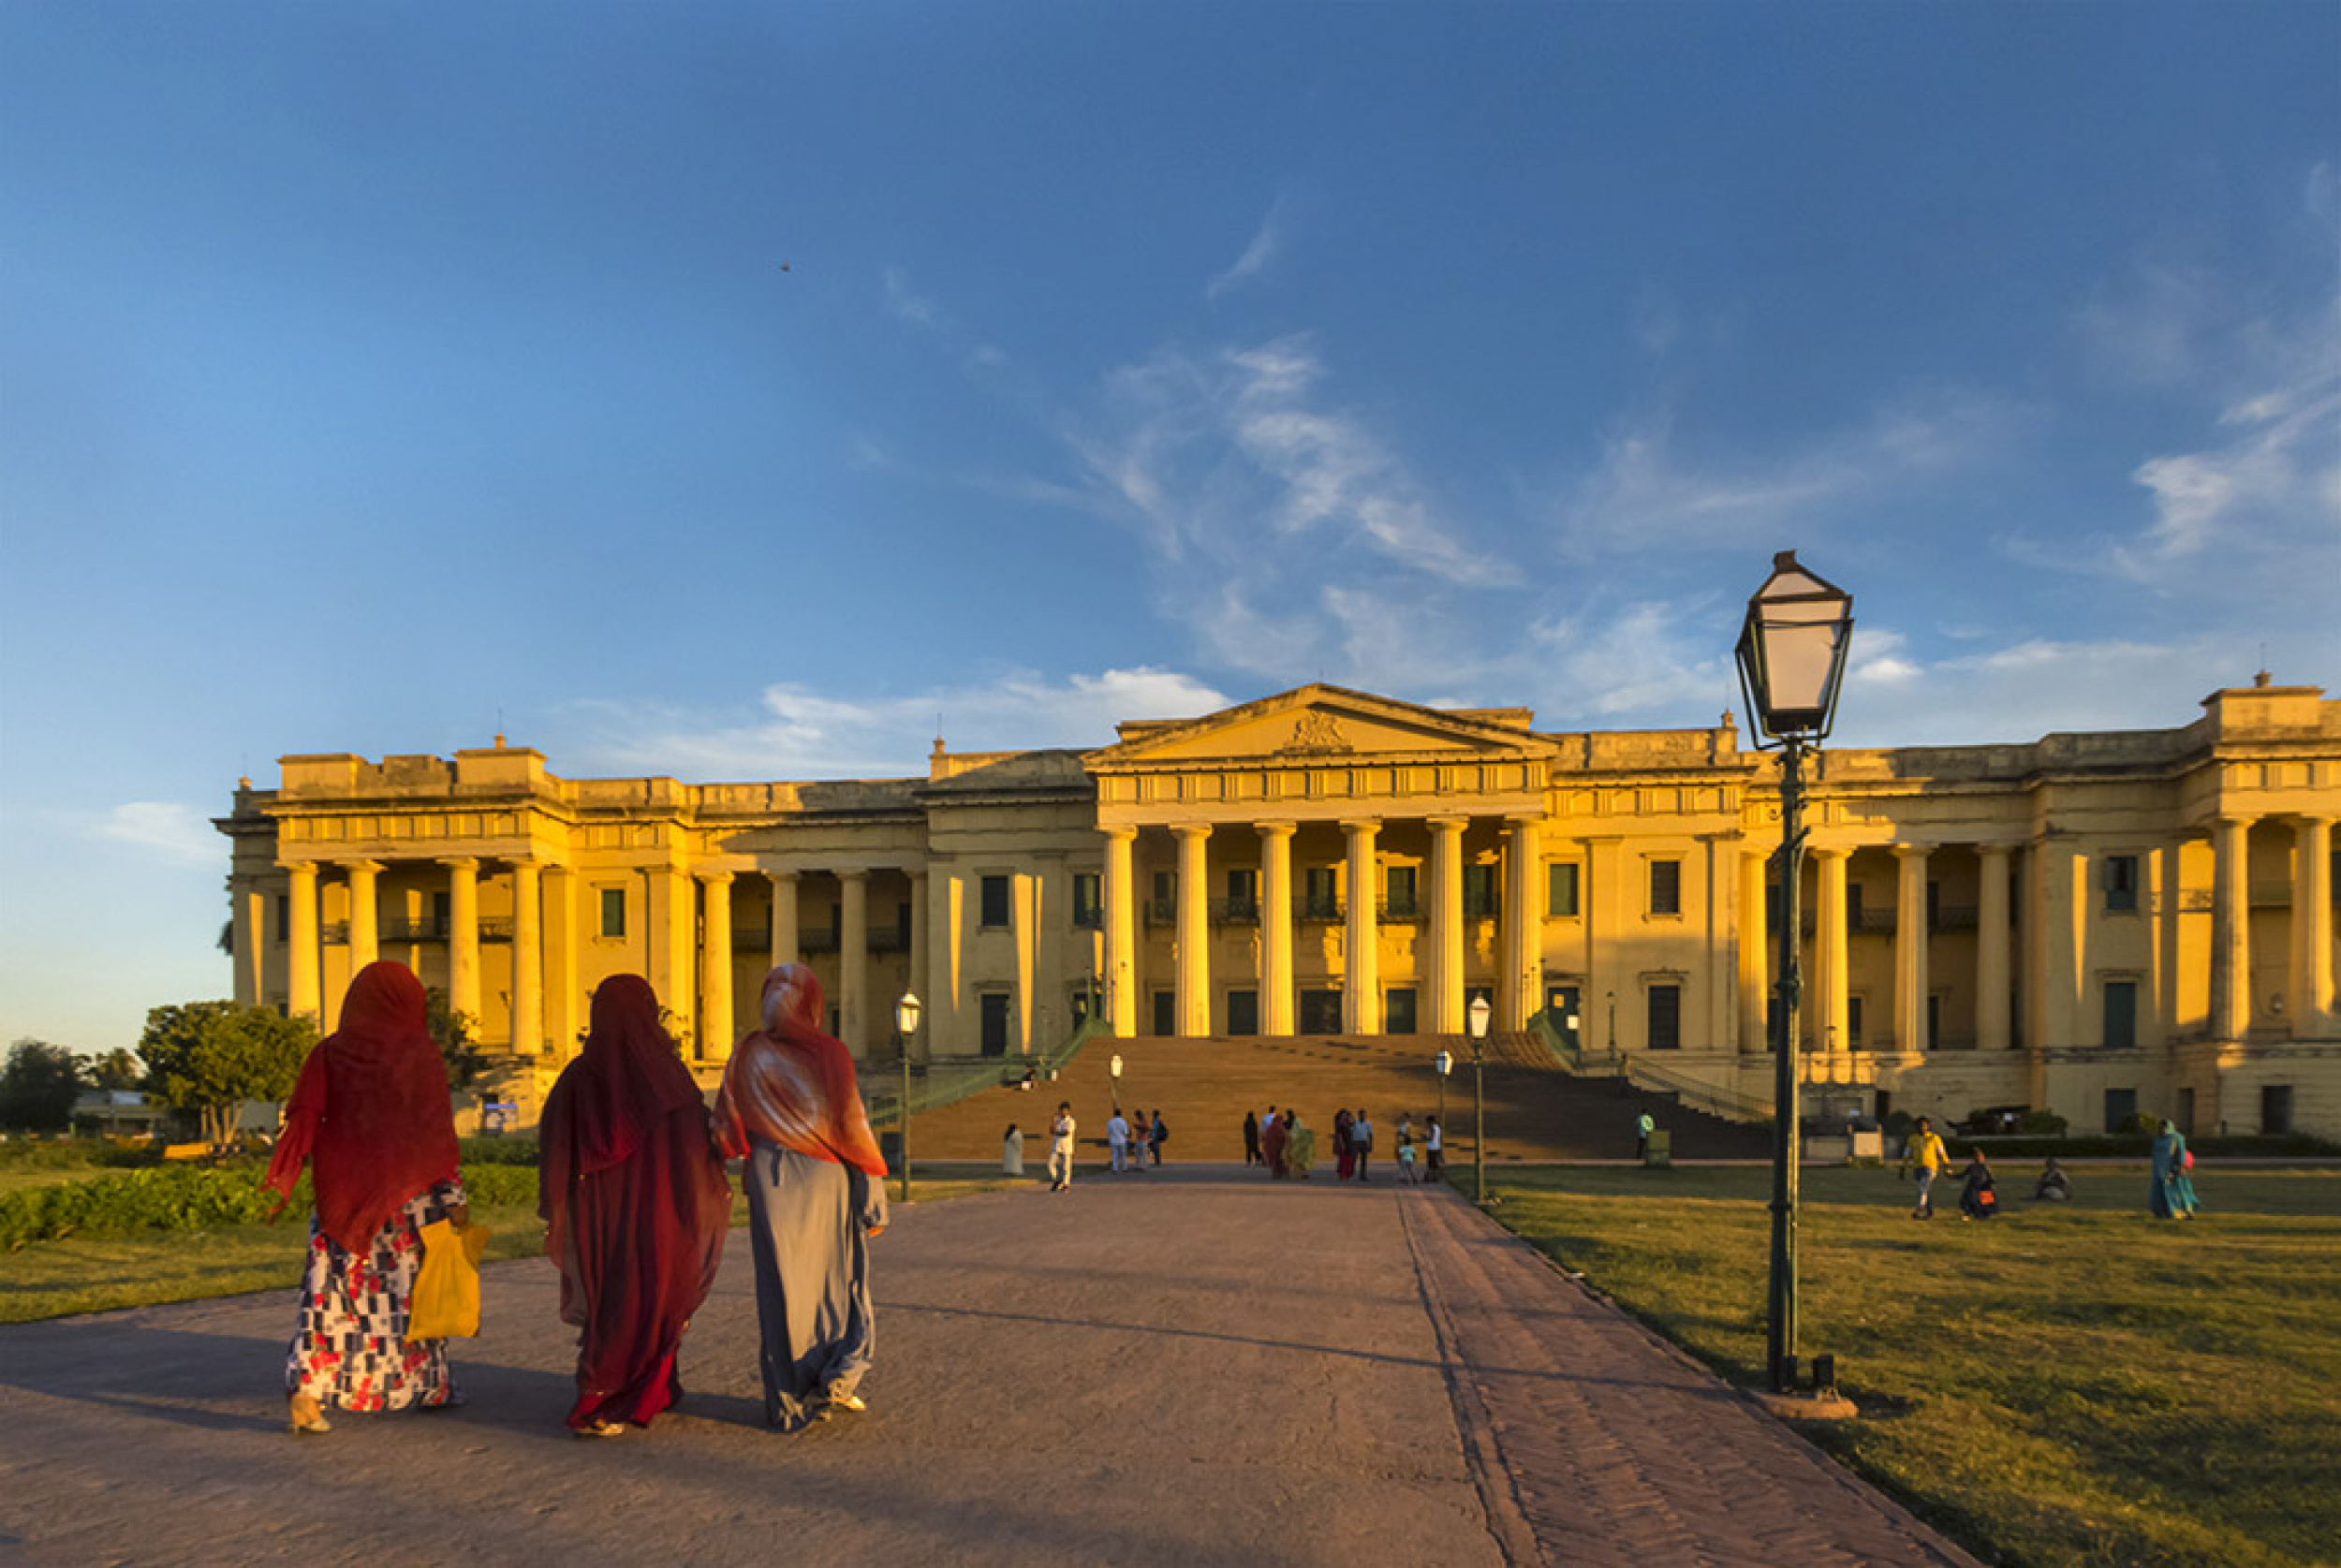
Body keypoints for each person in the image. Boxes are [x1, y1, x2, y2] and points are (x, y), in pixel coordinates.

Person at [263, 961, 467, 1434]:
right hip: (409, 1198)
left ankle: (308, 1389)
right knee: (411, 1299)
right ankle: (425, 1383)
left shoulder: (329, 1053)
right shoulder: (419, 1055)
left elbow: (305, 1115)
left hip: (343, 1196)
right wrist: (455, 1197)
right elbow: (434, 1132)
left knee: (330, 1296)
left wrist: (290, 1173)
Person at [538, 975, 730, 1438]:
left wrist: (560, 1208)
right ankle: (600, 1400)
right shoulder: (670, 1079)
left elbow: (554, 1148)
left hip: (598, 1217)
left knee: (612, 1299)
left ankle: (649, 1387)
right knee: (656, 1296)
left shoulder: (577, 1080)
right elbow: (699, 1149)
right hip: (663, 1218)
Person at [715, 963, 890, 1433]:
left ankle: (787, 1395)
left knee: (781, 1290)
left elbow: (725, 1127)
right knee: (837, 1281)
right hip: (824, 1178)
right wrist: (871, 1189)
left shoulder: (748, 1052)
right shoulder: (830, 1053)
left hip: (770, 1181)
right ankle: (835, 1377)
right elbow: (851, 1124)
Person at [1900, 1115, 1951, 1219]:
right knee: (1924, 1190)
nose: (1922, 1127)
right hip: (1917, 1168)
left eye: (1924, 1125)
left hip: (1930, 1167)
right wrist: (1903, 1167)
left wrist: (1947, 1165)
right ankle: (1929, 1211)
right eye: (1920, 1125)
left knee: (1923, 1187)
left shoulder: (1934, 1138)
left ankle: (1919, 1210)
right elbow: (1907, 1153)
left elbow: (1942, 1152)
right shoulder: (1912, 1139)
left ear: (1928, 1126)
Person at [2150, 1120, 2199, 1219]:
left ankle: (2187, 1212)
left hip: (2173, 1169)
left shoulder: (2177, 1138)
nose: (2161, 1130)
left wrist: (2181, 1166)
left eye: (2163, 1128)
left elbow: (2181, 1152)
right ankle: (2163, 1212)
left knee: (2178, 1191)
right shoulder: (2157, 1139)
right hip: (2159, 1170)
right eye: (2159, 1128)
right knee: (2159, 1192)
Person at [1955, 1148, 1997, 1221]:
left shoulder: (1984, 1167)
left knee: (1981, 1203)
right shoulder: (1972, 1167)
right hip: (1973, 1186)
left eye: (1980, 1157)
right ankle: (1967, 1214)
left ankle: (1979, 1214)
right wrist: (1952, 1176)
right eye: (1978, 1157)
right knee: (1969, 1201)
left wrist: (1991, 1182)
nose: (1979, 1159)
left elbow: (1990, 1176)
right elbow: (1962, 1175)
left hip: (1982, 1186)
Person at [1047, 1103, 1076, 1193]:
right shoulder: (1057, 1119)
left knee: (1066, 1168)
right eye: (1061, 1110)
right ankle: (1057, 1181)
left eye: (1065, 1110)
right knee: (1050, 1164)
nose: (1063, 1112)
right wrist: (1053, 1121)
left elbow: (1066, 1133)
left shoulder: (1070, 1121)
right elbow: (1051, 1131)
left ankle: (1066, 1185)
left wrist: (1056, 1132)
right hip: (1056, 1146)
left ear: (1068, 1111)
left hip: (1067, 1147)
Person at [1285, 1111, 1316, 1180]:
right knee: (1301, 1163)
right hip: (1301, 1150)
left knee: (1296, 1163)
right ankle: (1301, 1174)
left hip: (1294, 1149)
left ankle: (1297, 1175)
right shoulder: (1303, 1132)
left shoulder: (1291, 1131)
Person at [1260, 1108, 1288, 1179]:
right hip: (1278, 1147)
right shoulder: (1280, 1128)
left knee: (1274, 1162)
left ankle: (1275, 1174)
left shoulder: (1270, 1128)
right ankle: (1280, 1174)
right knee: (1280, 1161)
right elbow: (1283, 1137)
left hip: (1270, 1147)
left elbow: (1265, 1137)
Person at [1352, 1108, 1375, 1181]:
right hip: (1355, 1142)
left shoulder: (1368, 1123)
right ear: (1358, 1115)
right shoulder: (1355, 1122)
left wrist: (1370, 1144)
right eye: (1361, 1115)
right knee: (1354, 1158)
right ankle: (1351, 1171)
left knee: (1364, 1160)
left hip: (1364, 1142)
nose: (1362, 1116)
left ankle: (1362, 1175)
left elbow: (1370, 1134)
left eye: (1364, 1115)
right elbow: (1351, 1131)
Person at [1332, 1108, 1355, 1180]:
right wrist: (1342, 1144)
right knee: (1343, 1160)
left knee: (1349, 1159)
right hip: (1343, 1144)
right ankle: (1342, 1175)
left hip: (1349, 1143)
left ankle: (1347, 1174)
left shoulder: (1348, 1124)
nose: (1346, 1116)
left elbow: (1353, 1122)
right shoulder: (1340, 1125)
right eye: (1344, 1115)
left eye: (1346, 1115)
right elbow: (1339, 1136)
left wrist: (1351, 1116)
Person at [1107, 1108, 1132, 1173]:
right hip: (1122, 1140)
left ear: (1114, 1114)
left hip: (1113, 1140)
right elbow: (1126, 1132)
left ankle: (1115, 1168)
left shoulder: (1110, 1122)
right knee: (1123, 1155)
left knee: (1114, 1155)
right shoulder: (1123, 1122)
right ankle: (1124, 1168)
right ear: (1120, 1114)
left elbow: (1109, 1132)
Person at [1425, 1115, 1444, 1180]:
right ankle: (1436, 1176)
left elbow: (1431, 1138)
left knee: (1431, 1163)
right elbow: (1438, 1138)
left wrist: (1424, 1138)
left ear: (1430, 1121)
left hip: (1431, 1148)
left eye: (1427, 1122)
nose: (1427, 1123)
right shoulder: (1438, 1128)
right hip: (1436, 1147)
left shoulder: (1432, 1128)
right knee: (1435, 1163)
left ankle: (1430, 1176)